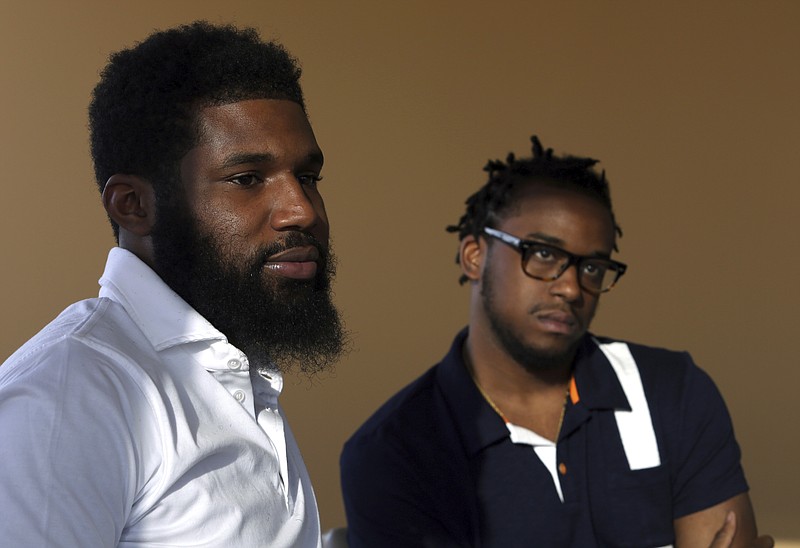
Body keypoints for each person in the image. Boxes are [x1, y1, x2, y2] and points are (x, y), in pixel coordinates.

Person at [0, 21, 348, 547]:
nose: (301, 209)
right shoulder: (71, 394)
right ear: (134, 206)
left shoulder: (238, 368)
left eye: (309, 178)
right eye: (247, 179)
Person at [340, 136, 769, 547]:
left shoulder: (672, 392)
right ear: (475, 256)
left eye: (593, 267)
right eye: (543, 254)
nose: (571, 288)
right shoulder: (393, 453)